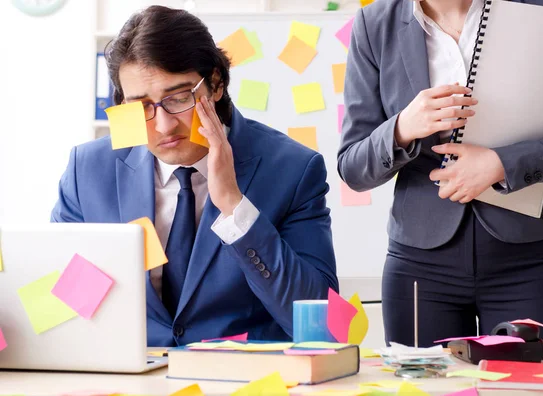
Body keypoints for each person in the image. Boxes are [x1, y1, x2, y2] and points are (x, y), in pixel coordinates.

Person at [51, 5, 338, 347]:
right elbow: (63, 304)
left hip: (242, 380)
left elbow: (322, 326)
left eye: (179, 98)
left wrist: (234, 206)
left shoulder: (292, 169)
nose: (163, 125)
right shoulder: (89, 170)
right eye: (140, 106)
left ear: (215, 84)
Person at [338, 0, 543, 352]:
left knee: (530, 390)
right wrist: (402, 128)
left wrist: (502, 164)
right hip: (420, 266)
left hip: (529, 260)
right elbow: (352, 168)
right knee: (429, 390)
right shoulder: (374, 24)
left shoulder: (540, 7)